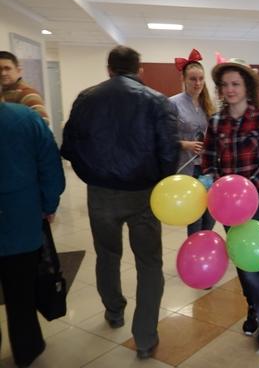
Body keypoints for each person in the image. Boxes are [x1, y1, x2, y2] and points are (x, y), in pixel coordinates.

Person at [61, 45, 179, 359]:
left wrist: (92, 175)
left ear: (109, 69)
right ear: (139, 70)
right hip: (144, 193)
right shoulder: (158, 101)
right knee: (149, 262)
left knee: (107, 254)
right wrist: (159, 183)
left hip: (101, 193)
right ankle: (145, 337)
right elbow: (169, 152)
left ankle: (114, 311)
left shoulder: (86, 98)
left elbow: (69, 147)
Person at [202, 58, 259, 354]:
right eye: (225, 85)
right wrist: (213, 181)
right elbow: (208, 159)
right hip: (227, 205)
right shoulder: (216, 122)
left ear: (247, 88)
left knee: (250, 260)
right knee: (240, 257)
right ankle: (253, 308)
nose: (229, 89)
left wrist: (245, 193)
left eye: (235, 84)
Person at [0, 101, 65, 367]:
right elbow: (51, 167)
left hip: (20, 219)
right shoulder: (26, 119)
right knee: (21, 293)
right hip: (21, 220)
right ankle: (27, 348)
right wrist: (48, 205)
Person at [169, 48, 216, 234]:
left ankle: (206, 245)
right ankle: (195, 248)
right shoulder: (172, 104)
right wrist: (185, 144)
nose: (198, 83)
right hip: (187, 168)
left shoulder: (208, 104)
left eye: (201, 79)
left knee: (210, 215)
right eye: (193, 79)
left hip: (207, 168)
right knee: (195, 216)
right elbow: (164, 138)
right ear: (183, 79)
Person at [0, 51, 49, 123]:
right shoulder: (3, 92)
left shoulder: (27, 93)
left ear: (18, 70)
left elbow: (42, 122)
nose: (3, 73)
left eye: (7, 68)